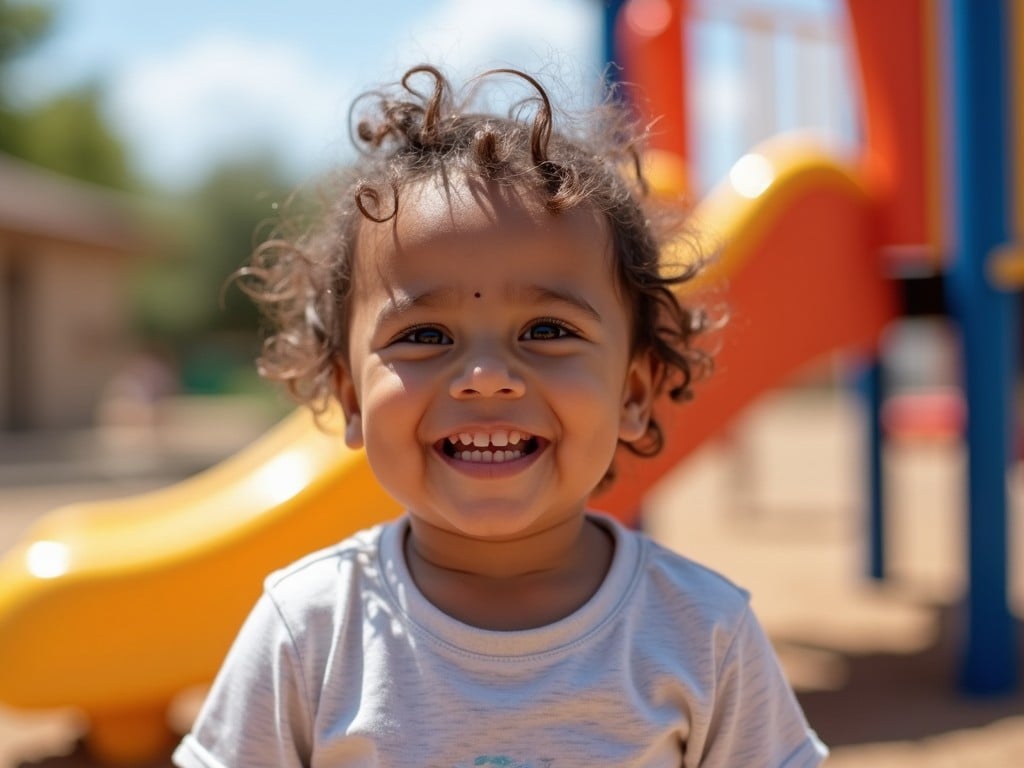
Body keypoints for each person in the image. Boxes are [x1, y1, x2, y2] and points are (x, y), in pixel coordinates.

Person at [173, 64, 827, 768]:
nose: (486, 379)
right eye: (424, 337)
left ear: (633, 394)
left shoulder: (703, 633)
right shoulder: (307, 631)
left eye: (548, 331)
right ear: (352, 396)